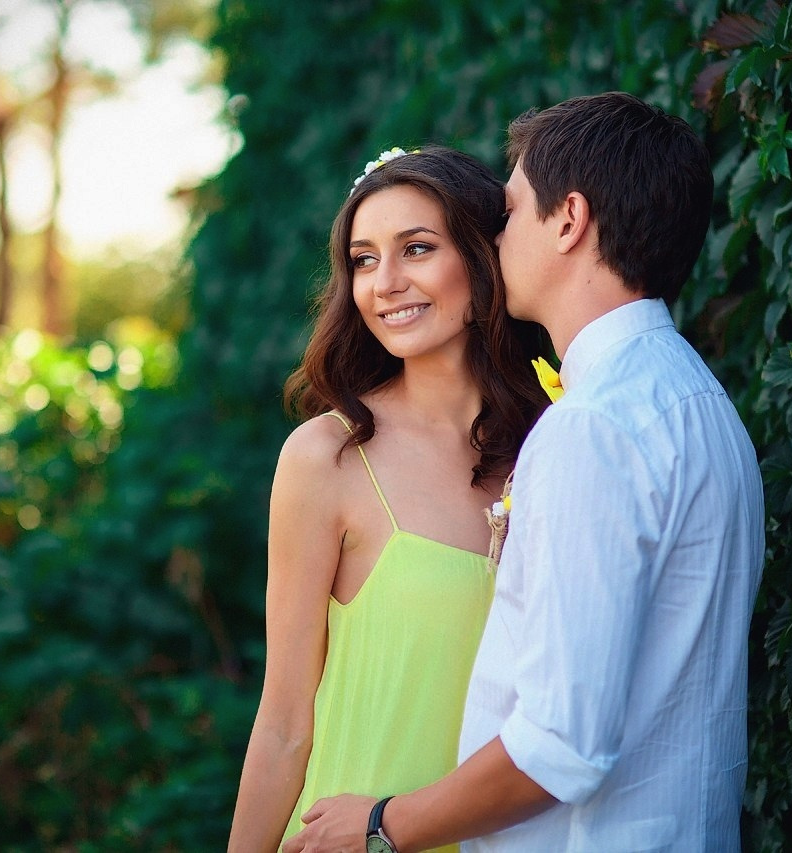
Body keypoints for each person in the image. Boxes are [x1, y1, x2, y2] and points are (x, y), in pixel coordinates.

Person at [285, 92, 766, 852]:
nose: (496, 237)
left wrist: (381, 824)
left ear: (568, 220)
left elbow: (561, 745)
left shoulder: (590, 428)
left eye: (509, 212)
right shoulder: (701, 402)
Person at [227, 146, 549, 852]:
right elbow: (283, 720)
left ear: (482, 256)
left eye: (417, 248)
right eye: (365, 259)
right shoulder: (328, 456)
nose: (387, 282)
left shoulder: (558, 442)